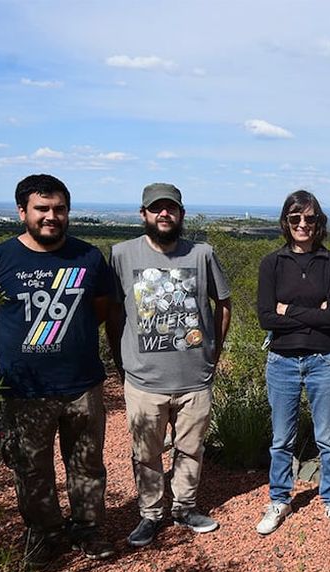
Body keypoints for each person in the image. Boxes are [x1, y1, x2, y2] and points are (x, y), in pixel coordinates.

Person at [0, 173, 116, 566]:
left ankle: (87, 530)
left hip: (82, 383)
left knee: (86, 463)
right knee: (31, 468)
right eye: (42, 209)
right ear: (23, 211)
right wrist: (19, 351)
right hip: (25, 388)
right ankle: (45, 534)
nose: (51, 216)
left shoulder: (88, 257)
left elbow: (100, 311)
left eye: (59, 209)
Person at [106, 182, 232, 548]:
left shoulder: (202, 254)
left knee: (191, 448)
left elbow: (223, 303)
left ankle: (185, 507)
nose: (164, 214)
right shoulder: (121, 254)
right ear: (143, 214)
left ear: (181, 213)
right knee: (145, 452)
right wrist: (121, 360)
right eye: (156, 208)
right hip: (145, 380)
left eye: (171, 208)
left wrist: (214, 351)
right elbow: (113, 314)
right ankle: (149, 514)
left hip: (195, 377)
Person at [254, 190, 330, 537]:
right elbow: (266, 317)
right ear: (286, 222)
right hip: (282, 361)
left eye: (309, 218)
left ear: (319, 222)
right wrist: (313, 314)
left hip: (324, 360)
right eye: (295, 219)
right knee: (281, 439)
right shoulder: (272, 264)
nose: (303, 224)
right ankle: (279, 499)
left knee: (328, 438)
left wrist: (288, 310)